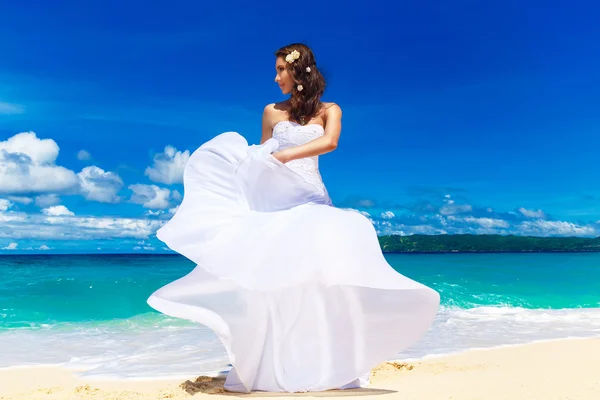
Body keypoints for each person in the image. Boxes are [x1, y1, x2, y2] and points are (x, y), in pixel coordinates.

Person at [147, 43, 440, 393]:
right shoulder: (271, 111)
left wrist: (285, 156)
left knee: (324, 282)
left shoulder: (330, 110)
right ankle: (270, 364)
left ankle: (333, 364)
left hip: (313, 200)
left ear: (299, 71)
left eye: (281, 70)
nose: (276, 77)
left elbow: (330, 143)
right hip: (278, 205)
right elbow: (261, 157)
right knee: (275, 284)